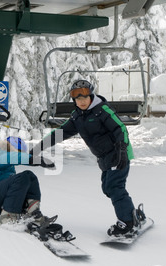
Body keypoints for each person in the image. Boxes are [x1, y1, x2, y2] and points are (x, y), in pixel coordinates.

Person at [31, 79, 146, 237]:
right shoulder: (77, 116)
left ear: (91, 96)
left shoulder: (102, 110)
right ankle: (133, 215)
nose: (82, 101)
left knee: (114, 187)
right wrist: (39, 147)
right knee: (108, 188)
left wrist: (122, 150)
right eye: (78, 99)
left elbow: (120, 128)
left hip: (118, 154)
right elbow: (61, 133)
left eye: (84, 97)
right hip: (104, 157)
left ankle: (127, 223)